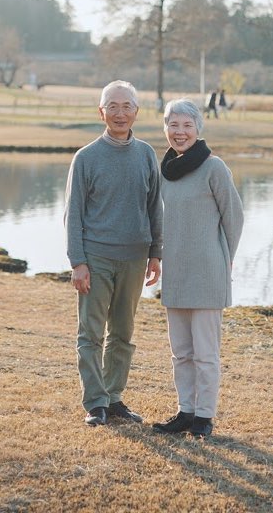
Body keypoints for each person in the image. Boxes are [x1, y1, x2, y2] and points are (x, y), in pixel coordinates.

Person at [64, 80, 163, 427]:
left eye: (127, 106)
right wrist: (78, 262)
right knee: (90, 333)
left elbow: (155, 207)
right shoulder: (86, 157)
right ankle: (95, 403)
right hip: (96, 257)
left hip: (135, 257)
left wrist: (156, 253)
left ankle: (114, 398)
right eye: (113, 106)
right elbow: (73, 214)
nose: (120, 113)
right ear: (101, 112)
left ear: (137, 111)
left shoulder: (147, 154)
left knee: (122, 332)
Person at [153, 98, 243, 438]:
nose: (180, 132)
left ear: (197, 130)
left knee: (206, 353)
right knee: (181, 352)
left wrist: (225, 256)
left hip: (208, 271)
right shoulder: (166, 170)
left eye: (186, 126)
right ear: (166, 129)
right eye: (173, 125)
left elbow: (234, 216)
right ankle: (185, 411)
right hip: (176, 271)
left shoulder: (214, 168)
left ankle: (204, 416)